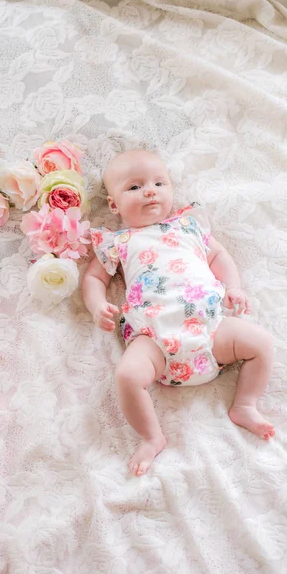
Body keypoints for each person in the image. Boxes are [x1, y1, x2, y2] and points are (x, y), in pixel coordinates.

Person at [82, 149, 275, 477]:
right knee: (127, 376)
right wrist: (98, 304)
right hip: (154, 337)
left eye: (159, 182)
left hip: (210, 328)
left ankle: (244, 405)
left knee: (261, 343)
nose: (150, 190)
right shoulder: (118, 241)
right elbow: (92, 279)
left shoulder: (190, 225)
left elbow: (220, 257)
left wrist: (234, 287)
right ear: (113, 205)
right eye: (135, 187)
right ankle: (151, 436)